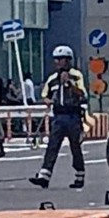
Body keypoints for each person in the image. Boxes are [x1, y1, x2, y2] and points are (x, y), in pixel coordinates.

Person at [29, 46, 87, 189]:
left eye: (60, 59)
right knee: (52, 146)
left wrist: (69, 83)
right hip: (58, 116)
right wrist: (47, 101)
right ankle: (44, 176)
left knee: (75, 147)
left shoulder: (76, 75)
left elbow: (82, 94)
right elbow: (45, 94)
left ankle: (79, 175)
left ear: (68, 60)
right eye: (57, 59)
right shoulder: (52, 78)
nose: (58, 62)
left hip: (73, 115)